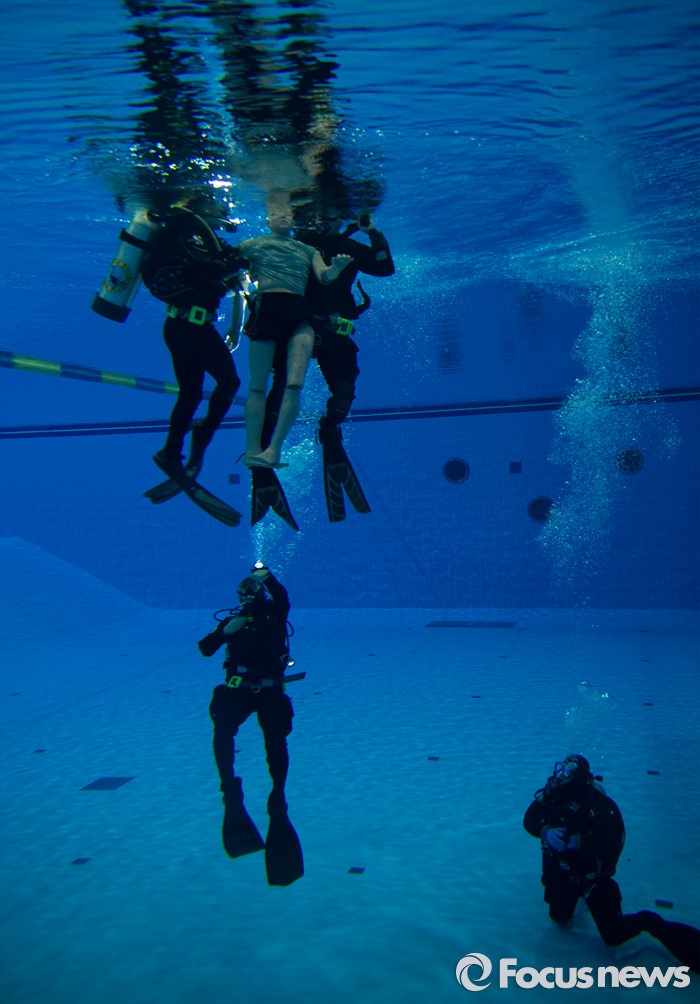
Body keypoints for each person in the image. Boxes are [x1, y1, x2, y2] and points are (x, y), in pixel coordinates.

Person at [261, 205, 395, 521]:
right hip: (298, 328)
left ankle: (330, 427)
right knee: (282, 387)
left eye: (332, 216)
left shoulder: (349, 247)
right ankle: (264, 448)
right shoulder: (297, 243)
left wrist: (372, 233)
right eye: (321, 216)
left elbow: (385, 267)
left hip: (333, 332)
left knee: (344, 389)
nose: (326, 222)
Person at [524, 754, 700, 972]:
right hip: (562, 874)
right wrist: (546, 832)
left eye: (568, 771)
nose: (561, 775)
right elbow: (529, 820)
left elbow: (613, 841)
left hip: (592, 878)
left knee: (614, 936)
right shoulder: (552, 794)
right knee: (559, 918)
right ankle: (576, 896)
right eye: (561, 769)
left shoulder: (598, 804)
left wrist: (580, 841)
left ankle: (649, 921)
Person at [198, 563, 304, 885]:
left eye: (250, 592)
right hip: (240, 690)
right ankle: (230, 790)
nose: (246, 599)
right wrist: (224, 632)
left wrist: (266, 576)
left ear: (259, 593)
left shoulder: (275, 612)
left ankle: (277, 794)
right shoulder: (233, 621)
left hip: (270, 690)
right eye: (242, 595)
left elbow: (282, 596)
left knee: (275, 743)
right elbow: (205, 649)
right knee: (222, 732)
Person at [140, 193, 246, 482]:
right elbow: (209, 271)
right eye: (217, 204)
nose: (224, 209)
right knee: (192, 393)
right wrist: (241, 261)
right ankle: (170, 453)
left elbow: (218, 278)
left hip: (201, 327)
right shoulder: (185, 232)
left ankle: (201, 435)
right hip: (183, 326)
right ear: (200, 207)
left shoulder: (205, 240)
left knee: (229, 382)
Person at [238, 203, 352, 469]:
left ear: (294, 220)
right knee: (257, 386)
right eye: (276, 213)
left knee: (294, 385)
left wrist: (336, 268)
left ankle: (274, 450)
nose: (282, 217)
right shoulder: (252, 245)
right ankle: (252, 449)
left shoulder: (307, 250)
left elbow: (324, 277)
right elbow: (232, 270)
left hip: (298, 317)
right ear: (267, 219)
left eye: (287, 214)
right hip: (267, 314)